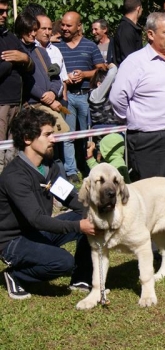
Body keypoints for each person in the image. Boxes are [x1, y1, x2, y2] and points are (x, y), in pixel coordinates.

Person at [0, 108, 95, 300]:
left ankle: (81, 278)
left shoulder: (49, 167)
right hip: (12, 241)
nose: (54, 139)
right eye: (48, 134)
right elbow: (36, 219)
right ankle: (15, 275)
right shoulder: (14, 176)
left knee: (87, 215)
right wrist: (79, 226)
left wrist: (94, 213)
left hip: (36, 232)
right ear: (27, 138)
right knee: (63, 262)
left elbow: (70, 198)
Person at [110, 12, 165, 187]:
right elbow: (117, 97)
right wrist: (134, 118)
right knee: (155, 194)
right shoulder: (135, 62)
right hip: (152, 140)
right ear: (150, 34)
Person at [56, 11, 105, 183]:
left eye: (69, 25)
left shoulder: (90, 46)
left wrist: (84, 74)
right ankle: (71, 170)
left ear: (79, 26)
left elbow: (101, 69)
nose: (64, 28)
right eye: (63, 25)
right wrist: (65, 79)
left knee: (85, 134)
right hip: (67, 96)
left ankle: (85, 164)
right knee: (68, 135)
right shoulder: (57, 46)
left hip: (85, 96)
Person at [0, 0, 33, 174]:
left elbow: (31, 66)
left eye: (6, 11)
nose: (4, 15)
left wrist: (24, 58)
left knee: (12, 152)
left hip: (16, 103)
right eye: (0, 11)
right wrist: (11, 62)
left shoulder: (10, 37)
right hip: (1, 105)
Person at [113, 0, 143, 66]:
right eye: (142, 8)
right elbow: (129, 59)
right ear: (138, 9)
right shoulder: (126, 29)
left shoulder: (129, 28)